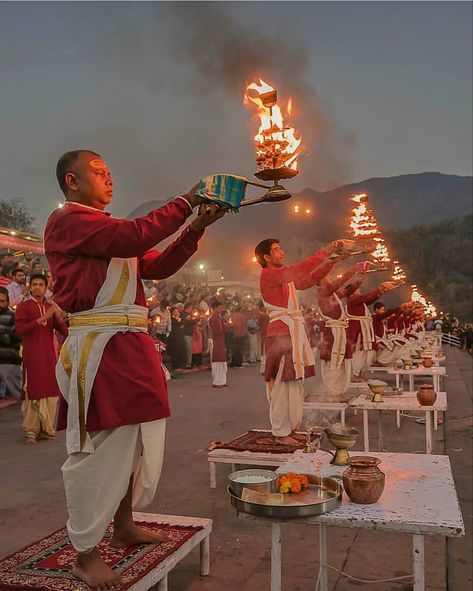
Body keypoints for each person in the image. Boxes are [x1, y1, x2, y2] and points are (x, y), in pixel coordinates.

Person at [44, 149, 225, 589]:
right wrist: (187, 201)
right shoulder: (69, 220)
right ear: (72, 181)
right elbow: (134, 237)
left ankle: (123, 524)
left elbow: (156, 265)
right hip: (99, 348)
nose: (111, 179)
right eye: (100, 173)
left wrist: (195, 228)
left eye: (111, 172)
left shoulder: (106, 233)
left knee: (136, 442)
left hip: (131, 346)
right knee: (99, 449)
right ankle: (85, 555)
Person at [255, 238, 344, 445]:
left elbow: (307, 280)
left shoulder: (284, 279)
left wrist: (331, 261)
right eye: (276, 250)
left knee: (295, 382)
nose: (282, 252)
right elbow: (299, 270)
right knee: (281, 384)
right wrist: (326, 251)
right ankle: (280, 432)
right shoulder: (269, 274)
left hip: (293, 332)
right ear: (266, 257)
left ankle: (291, 428)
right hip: (281, 333)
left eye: (280, 248)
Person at [15, 274, 68, 445]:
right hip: (32, 355)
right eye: (35, 285)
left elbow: (64, 331)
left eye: (41, 285)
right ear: (30, 287)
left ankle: (46, 429)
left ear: (46, 288)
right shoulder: (24, 307)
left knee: (51, 392)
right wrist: (44, 318)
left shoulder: (51, 306)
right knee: (33, 390)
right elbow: (21, 329)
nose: (37, 288)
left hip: (49, 356)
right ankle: (31, 431)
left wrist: (59, 317)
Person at [316, 265, 365, 396]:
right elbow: (337, 284)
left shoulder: (333, 294)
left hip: (340, 331)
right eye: (326, 276)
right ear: (320, 280)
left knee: (342, 360)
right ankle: (332, 393)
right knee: (333, 361)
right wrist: (354, 269)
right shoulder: (322, 292)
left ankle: (337, 393)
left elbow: (347, 292)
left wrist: (359, 279)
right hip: (332, 333)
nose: (329, 277)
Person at [346, 280, 399, 382]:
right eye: (357, 290)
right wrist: (378, 290)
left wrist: (380, 292)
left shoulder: (358, 301)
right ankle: (354, 374)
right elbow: (366, 297)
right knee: (359, 353)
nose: (359, 292)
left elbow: (369, 300)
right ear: (351, 291)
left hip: (362, 329)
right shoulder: (352, 299)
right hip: (357, 330)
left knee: (365, 352)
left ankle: (358, 372)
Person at [0, 287, 22, 409]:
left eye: (2, 301)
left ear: (7, 302)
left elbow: (19, 336)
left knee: (19, 394)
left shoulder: (13, 316)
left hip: (8, 361)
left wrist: (3, 337)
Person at [209, 299, 228, 387]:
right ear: (214, 308)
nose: (221, 310)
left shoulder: (219, 318)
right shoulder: (213, 318)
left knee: (222, 361)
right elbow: (217, 331)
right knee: (218, 361)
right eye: (220, 308)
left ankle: (222, 381)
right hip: (216, 342)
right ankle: (217, 382)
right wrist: (226, 328)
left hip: (221, 341)